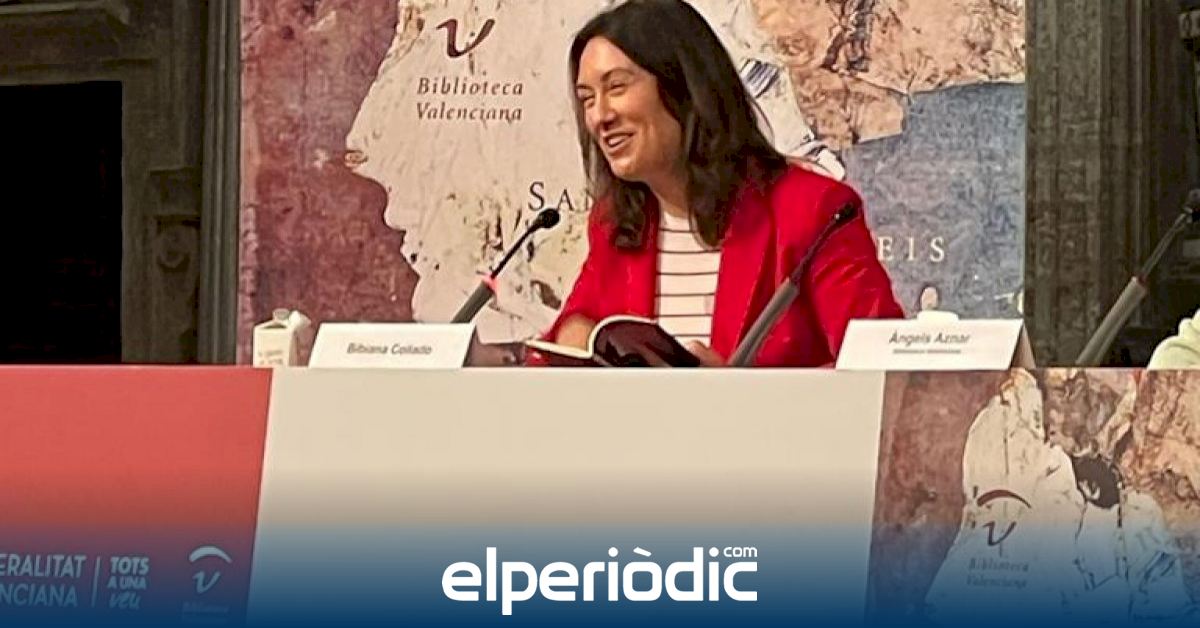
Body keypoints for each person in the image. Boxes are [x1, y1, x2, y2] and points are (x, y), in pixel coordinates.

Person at [528, 0, 903, 367]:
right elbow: (569, 334)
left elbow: (881, 371)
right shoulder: (615, 225)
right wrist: (575, 336)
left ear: (683, 87)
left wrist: (732, 394)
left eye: (616, 87)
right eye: (587, 99)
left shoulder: (813, 210)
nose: (599, 116)